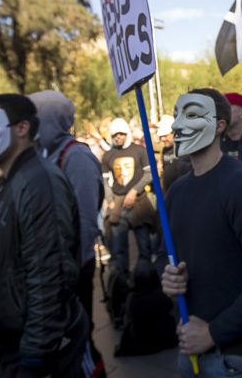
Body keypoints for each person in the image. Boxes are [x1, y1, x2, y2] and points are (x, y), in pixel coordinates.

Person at [161, 88, 242, 378]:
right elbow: (165, 255)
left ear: (219, 125)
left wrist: (213, 332)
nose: (177, 124)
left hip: (240, 361)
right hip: (191, 352)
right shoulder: (176, 192)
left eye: (191, 115)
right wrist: (167, 276)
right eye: (177, 115)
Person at [0, 94, 96, 377]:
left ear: (22, 128)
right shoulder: (10, 185)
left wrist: (36, 356)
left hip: (32, 353)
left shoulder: (39, 183)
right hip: (11, 348)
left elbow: (49, 275)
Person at [29, 90, 104, 329]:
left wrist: (74, 267)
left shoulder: (76, 156)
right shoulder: (44, 155)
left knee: (77, 331)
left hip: (72, 265)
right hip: (51, 266)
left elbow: (85, 218)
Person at [101, 117, 154, 274]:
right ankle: (122, 281)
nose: (118, 137)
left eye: (121, 134)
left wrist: (134, 191)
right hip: (118, 203)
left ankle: (145, 280)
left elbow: (149, 173)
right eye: (115, 134)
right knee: (118, 251)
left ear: (127, 134)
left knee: (145, 247)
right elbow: (105, 181)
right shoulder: (108, 155)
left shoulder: (139, 150)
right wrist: (110, 201)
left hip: (139, 202)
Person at [157, 114, 192, 194]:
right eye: (161, 136)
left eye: (165, 136)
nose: (163, 139)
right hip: (169, 192)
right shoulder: (165, 150)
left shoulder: (184, 148)